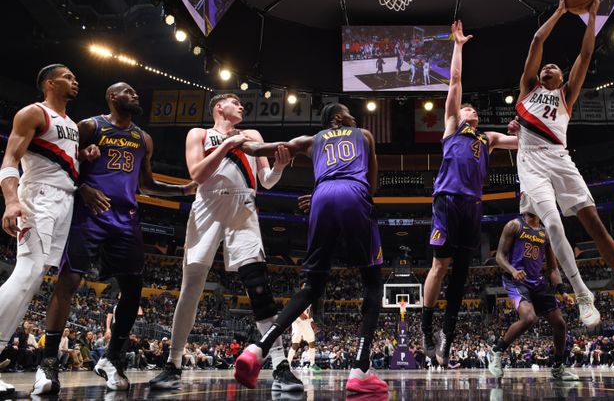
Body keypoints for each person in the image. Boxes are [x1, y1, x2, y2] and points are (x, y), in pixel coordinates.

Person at [512, 0, 614, 326]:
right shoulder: (527, 89)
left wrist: (592, 16)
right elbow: (537, 41)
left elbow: (586, 53)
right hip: (531, 163)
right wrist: (562, 10)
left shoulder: (567, 95)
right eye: (545, 66)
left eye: (555, 66)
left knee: (594, 223)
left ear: (563, 77)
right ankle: (582, 294)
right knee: (551, 223)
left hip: (560, 158)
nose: (548, 66)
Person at [34, 82, 195, 394]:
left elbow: (146, 185)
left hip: (125, 217)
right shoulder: (90, 126)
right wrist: (82, 187)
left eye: (136, 92)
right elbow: (66, 164)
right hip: (89, 213)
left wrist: (182, 190)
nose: (135, 95)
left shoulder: (143, 138)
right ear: (111, 96)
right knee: (69, 281)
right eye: (128, 92)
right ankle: (49, 363)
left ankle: (111, 358)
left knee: (134, 291)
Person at [149, 93, 300, 392]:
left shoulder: (252, 135)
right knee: (191, 286)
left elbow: (266, 180)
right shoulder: (200, 134)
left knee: (258, 284)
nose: (242, 106)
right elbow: (197, 174)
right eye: (236, 102)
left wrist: (280, 167)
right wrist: (228, 145)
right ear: (219, 107)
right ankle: (173, 363)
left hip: (243, 207)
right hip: (207, 207)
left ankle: (281, 365)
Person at [233, 103, 387, 394]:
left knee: (312, 285)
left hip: (322, 197)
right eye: (348, 113)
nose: (353, 116)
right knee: (373, 281)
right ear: (339, 118)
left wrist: (235, 139)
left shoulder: (311, 140)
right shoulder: (364, 134)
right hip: (354, 194)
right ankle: (360, 368)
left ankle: (257, 349)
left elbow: (258, 149)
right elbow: (371, 186)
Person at [421, 21, 519, 366]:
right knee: (440, 265)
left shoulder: (488, 138)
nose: (471, 110)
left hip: (472, 205)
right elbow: (455, 81)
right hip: (447, 200)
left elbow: (523, 144)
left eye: (474, 109)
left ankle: (447, 334)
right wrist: (458, 46)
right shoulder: (451, 127)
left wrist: (527, 127)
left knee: (461, 272)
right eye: (468, 108)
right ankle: (426, 325)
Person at [0, 64, 87, 396]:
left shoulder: (72, 126)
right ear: (49, 84)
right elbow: (9, 159)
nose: (74, 79)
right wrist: (10, 201)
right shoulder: (33, 113)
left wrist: (85, 154)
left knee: (34, 278)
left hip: (64, 201)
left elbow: (65, 163)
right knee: (27, 272)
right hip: (37, 197)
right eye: (67, 76)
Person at [488, 212, 579, 382]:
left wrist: (563, 291)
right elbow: (499, 257)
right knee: (529, 318)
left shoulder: (545, 233)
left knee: (560, 324)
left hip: (536, 281)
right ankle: (497, 351)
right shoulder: (514, 225)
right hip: (515, 279)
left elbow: (553, 269)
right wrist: (513, 271)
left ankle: (558, 367)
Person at [288, 304, 318, 370]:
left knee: (312, 343)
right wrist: (304, 315)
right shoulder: (299, 299)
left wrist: (313, 323)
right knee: (295, 345)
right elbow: (301, 316)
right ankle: (288, 363)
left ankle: (312, 364)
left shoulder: (309, 303)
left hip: (306, 324)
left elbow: (309, 314)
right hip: (297, 324)